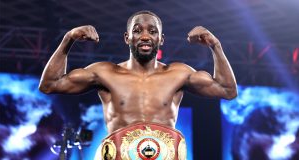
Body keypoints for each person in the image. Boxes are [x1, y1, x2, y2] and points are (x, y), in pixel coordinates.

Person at [39, 10, 237, 160]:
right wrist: (68, 39)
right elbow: (50, 84)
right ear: (127, 38)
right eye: (137, 30)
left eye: (152, 31)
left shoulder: (179, 73)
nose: (144, 36)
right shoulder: (105, 73)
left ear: (161, 40)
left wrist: (215, 45)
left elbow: (227, 90)